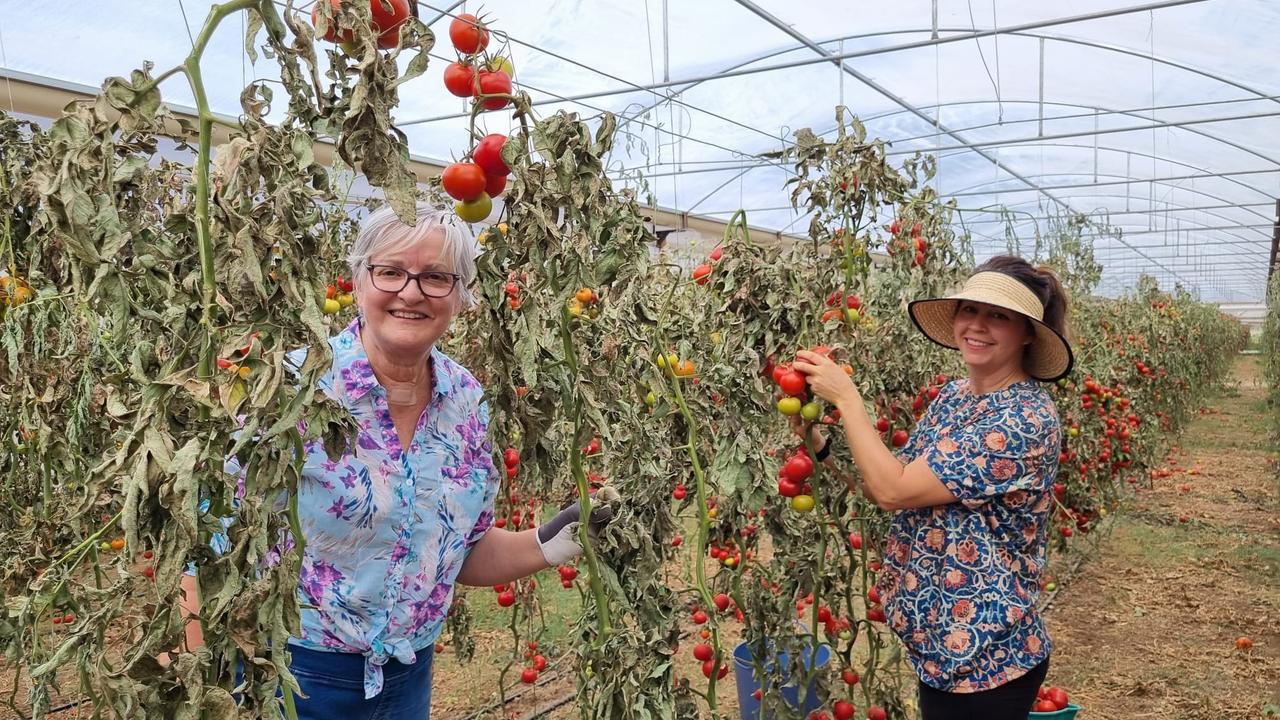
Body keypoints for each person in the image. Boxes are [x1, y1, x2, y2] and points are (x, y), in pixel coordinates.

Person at [179, 203, 615, 718]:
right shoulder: (289, 389)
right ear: (359, 279)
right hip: (286, 676)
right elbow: (204, 548)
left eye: (436, 277)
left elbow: (458, 551)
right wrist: (196, 686)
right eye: (390, 272)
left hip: (406, 681)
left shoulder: (466, 400)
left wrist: (551, 540)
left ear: (461, 295)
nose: (411, 292)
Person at [792, 255, 1073, 720]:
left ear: (1028, 333)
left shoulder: (1024, 419)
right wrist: (819, 444)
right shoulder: (954, 396)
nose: (976, 325)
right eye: (969, 310)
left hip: (986, 658)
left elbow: (894, 490)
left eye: (998, 316)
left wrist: (847, 398)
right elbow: (887, 481)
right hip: (942, 649)